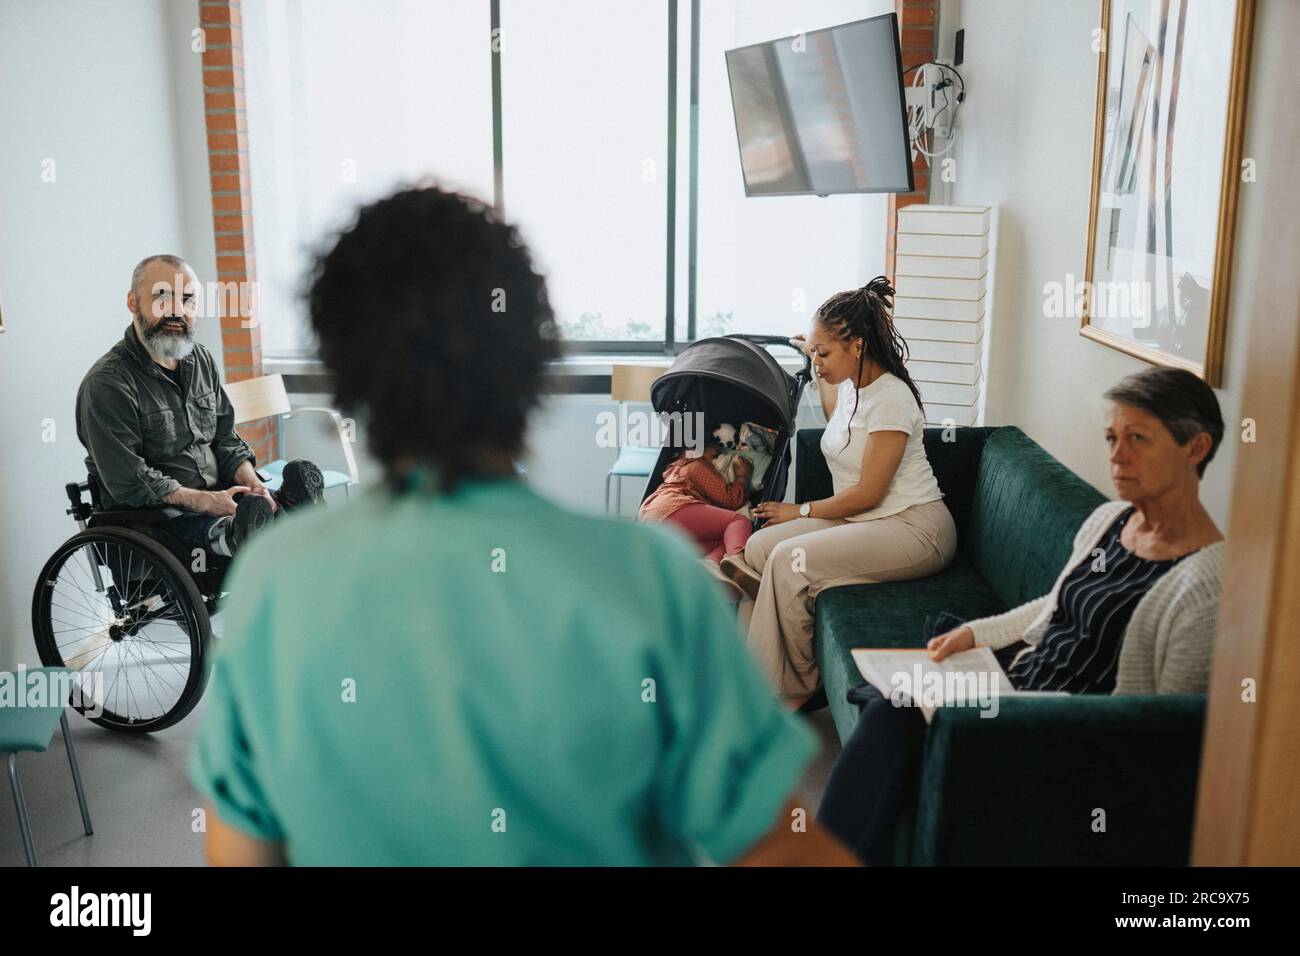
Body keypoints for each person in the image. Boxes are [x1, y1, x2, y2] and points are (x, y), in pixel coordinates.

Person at [187, 186, 857, 866]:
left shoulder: (275, 581)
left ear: (344, 372)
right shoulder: (649, 580)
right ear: (535, 365)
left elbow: (241, 851)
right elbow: (780, 853)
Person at [818, 366, 1227, 864]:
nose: (1117, 456)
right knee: (897, 705)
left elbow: (1160, 731)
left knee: (895, 719)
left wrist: (1021, 714)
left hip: (1061, 733)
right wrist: (975, 633)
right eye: (1111, 437)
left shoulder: (1206, 584)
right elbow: (1055, 605)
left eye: (1137, 438)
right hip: (1014, 684)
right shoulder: (1110, 521)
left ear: (1196, 448)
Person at [719, 277, 956, 708]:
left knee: (790, 563)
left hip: (913, 526)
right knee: (758, 549)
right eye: (814, 353)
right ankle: (750, 671)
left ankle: (788, 689)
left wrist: (802, 511)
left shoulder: (892, 400)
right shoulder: (850, 387)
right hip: (865, 518)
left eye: (824, 354)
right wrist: (810, 349)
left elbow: (869, 493)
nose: (817, 364)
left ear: (858, 346)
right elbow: (834, 411)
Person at [75, 255, 324, 560]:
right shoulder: (108, 384)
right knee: (233, 526)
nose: (177, 311)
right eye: (162, 297)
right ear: (132, 303)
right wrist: (208, 502)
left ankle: (279, 512)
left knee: (272, 495)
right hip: (158, 522)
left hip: (223, 498)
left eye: (188, 299)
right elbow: (130, 481)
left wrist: (252, 482)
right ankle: (237, 534)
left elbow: (225, 439)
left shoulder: (200, 361)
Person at [638, 426, 753, 574]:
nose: (716, 460)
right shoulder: (696, 465)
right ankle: (738, 563)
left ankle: (711, 568)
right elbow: (731, 499)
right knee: (739, 521)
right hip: (672, 507)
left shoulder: (675, 468)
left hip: (650, 513)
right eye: (714, 455)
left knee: (725, 539)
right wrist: (743, 476)